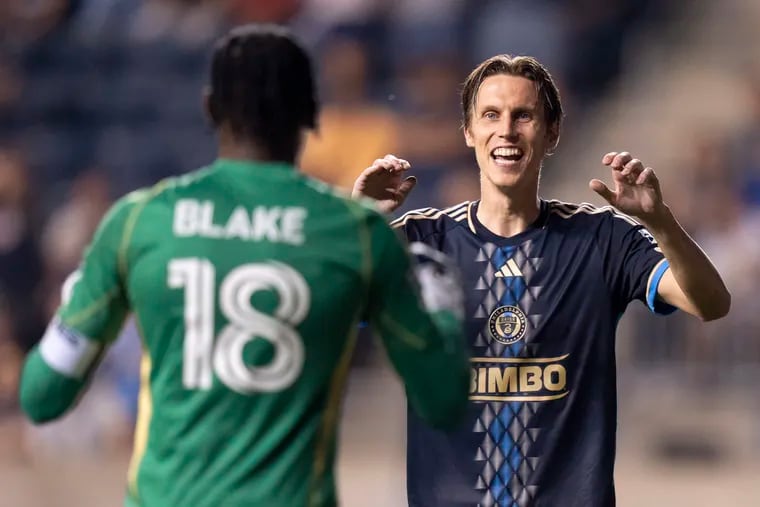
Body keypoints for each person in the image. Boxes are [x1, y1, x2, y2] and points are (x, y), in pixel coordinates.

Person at [18, 24, 471, 507]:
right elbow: (443, 400)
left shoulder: (137, 223)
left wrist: (67, 318)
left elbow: (41, 397)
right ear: (311, 114)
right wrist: (439, 302)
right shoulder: (359, 234)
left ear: (210, 108)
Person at [352, 54, 731, 507]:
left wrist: (661, 223)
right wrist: (357, 228)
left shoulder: (603, 239)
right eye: (491, 115)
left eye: (523, 115)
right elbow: (327, 312)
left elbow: (710, 303)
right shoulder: (419, 243)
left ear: (551, 133)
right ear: (469, 133)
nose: (506, 130)